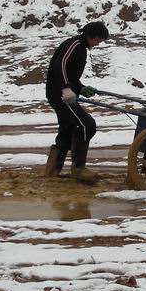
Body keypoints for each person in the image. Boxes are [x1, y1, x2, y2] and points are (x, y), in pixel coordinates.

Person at [44, 21, 109, 182]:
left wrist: (82, 89)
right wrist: (66, 89)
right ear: (91, 36)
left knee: (67, 128)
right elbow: (60, 67)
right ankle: (79, 168)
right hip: (59, 94)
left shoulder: (82, 49)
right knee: (87, 124)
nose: (98, 44)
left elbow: (72, 77)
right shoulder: (73, 45)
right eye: (98, 40)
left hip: (65, 93)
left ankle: (52, 172)